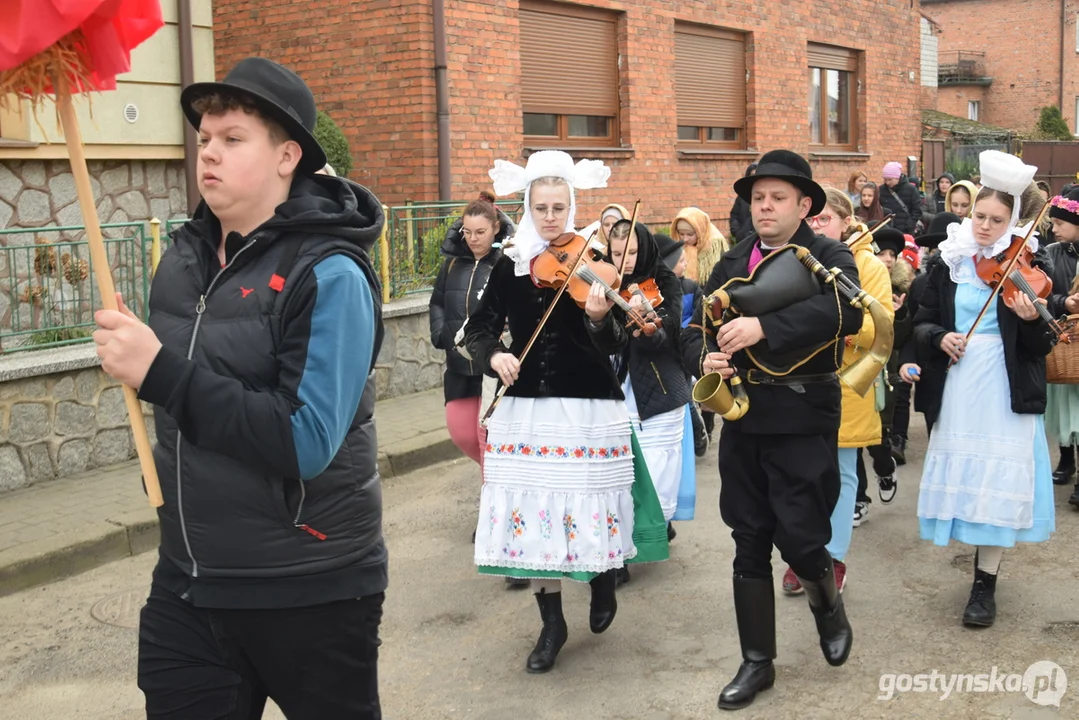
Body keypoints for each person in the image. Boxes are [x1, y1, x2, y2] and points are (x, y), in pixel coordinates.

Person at [92, 58, 387, 718]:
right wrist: (134, 361)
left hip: (310, 588)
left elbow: (304, 439)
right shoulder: (180, 259)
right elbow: (191, 395)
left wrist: (160, 372)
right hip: (188, 582)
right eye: (204, 140)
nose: (209, 155)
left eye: (232, 139)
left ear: (287, 156)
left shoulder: (331, 271)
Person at [465, 150, 668, 674]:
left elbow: (620, 339)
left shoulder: (593, 260)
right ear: (528, 206)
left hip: (588, 402)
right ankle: (551, 621)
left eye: (559, 207)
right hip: (527, 403)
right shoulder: (510, 263)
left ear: (572, 206)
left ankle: (602, 579)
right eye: (541, 207)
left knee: (588, 503)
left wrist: (602, 320)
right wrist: (494, 354)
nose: (550, 217)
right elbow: (479, 326)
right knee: (533, 513)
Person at [681, 150, 862, 710]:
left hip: (804, 415)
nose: (763, 205)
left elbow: (848, 313)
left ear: (804, 204)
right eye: (757, 197)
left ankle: (827, 606)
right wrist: (704, 358)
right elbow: (693, 329)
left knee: (803, 537)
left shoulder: (829, 254)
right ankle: (757, 662)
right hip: (744, 418)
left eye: (776, 197)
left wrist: (765, 326)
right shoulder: (731, 260)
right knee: (748, 539)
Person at [914, 150, 1054, 629]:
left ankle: (984, 584)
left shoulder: (1025, 264)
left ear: (1013, 220)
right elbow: (921, 322)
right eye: (979, 216)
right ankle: (976, 564)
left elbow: (1040, 345)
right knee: (969, 478)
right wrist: (939, 337)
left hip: (1006, 385)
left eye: (997, 220)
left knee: (997, 483)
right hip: (960, 381)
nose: (986, 227)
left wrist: (1033, 319)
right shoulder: (947, 261)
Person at [781, 189, 893, 595]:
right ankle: (803, 555)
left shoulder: (868, 265)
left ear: (846, 221)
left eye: (825, 219)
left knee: (843, 474)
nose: (817, 226)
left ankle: (834, 557)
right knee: (799, 474)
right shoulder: (795, 258)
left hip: (847, 380)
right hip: (798, 380)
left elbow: (880, 325)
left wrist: (835, 325)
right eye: (812, 219)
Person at [606, 222, 693, 541]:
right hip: (616, 384)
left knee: (655, 467)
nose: (624, 260)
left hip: (657, 384)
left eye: (631, 252)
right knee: (618, 471)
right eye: (617, 253)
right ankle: (625, 539)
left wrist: (650, 327)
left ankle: (647, 531)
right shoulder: (606, 280)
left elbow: (670, 335)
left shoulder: (665, 280)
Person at [429, 192, 513, 468]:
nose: (473, 238)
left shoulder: (507, 263)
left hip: (492, 366)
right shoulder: (452, 263)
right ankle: (497, 476)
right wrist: (440, 334)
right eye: (467, 232)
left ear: (496, 228)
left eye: (480, 232)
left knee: (486, 439)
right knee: (462, 433)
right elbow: (438, 301)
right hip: (459, 366)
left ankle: (493, 490)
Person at [898, 212, 962, 437]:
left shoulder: (973, 279)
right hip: (932, 371)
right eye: (936, 247)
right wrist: (907, 361)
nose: (941, 253)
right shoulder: (921, 284)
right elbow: (912, 329)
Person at [657, 231, 709, 458]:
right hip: (667, 350)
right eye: (680, 261)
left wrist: (683, 332)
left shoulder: (690, 287)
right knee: (681, 395)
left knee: (686, 394)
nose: (686, 263)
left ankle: (698, 432)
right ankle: (695, 431)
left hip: (684, 348)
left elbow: (697, 315)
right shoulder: (657, 290)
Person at [1043, 186, 1079, 496]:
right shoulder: (1052, 254)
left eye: (1059, 224)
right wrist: (1062, 301)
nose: (1053, 230)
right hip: (1062, 338)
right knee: (1062, 405)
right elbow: (1043, 292)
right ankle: (1066, 460)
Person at [671, 206, 730, 283]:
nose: (685, 239)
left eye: (690, 234)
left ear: (700, 231)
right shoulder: (677, 246)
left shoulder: (716, 247)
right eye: (681, 234)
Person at [879, 162, 920, 234]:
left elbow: (917, 210)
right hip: (887, 229)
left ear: (897, 177)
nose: (887, 182)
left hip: (906, 230)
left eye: (890, 179)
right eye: (885, 180)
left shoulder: (911, 189)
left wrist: (909, 224)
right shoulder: (881, 190)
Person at [730, 163, 759, 244]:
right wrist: (736, 231)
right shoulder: (742, 197)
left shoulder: (765, 196)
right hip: (743, 240)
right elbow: (734, 214)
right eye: (752, 176)